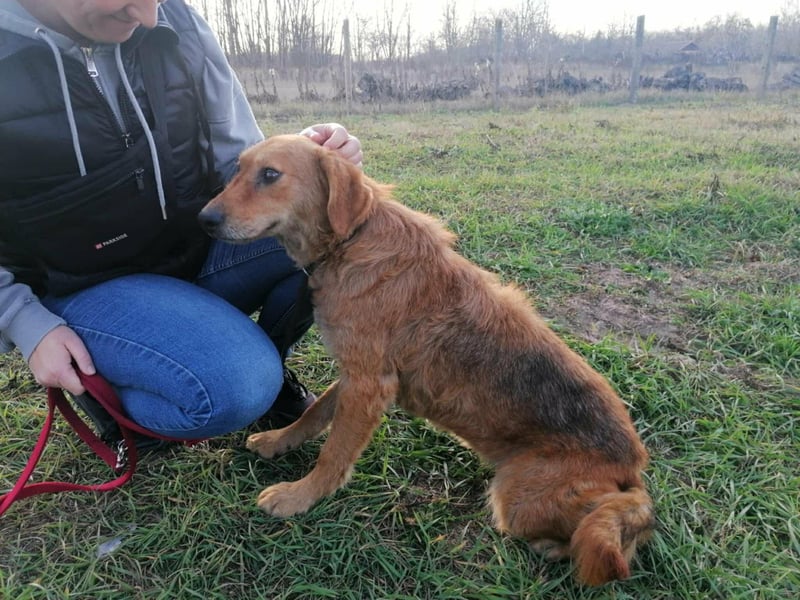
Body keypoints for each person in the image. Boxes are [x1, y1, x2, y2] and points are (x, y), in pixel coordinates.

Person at [0, 0, 363, 444]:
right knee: (237, 387)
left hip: (193, 248)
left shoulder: (180, 22)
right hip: (84, 283)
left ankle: (248, 356)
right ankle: (121, 401)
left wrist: (304, 164)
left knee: (335, 232)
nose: (151, 18)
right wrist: (25, 323)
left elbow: (236, 158)